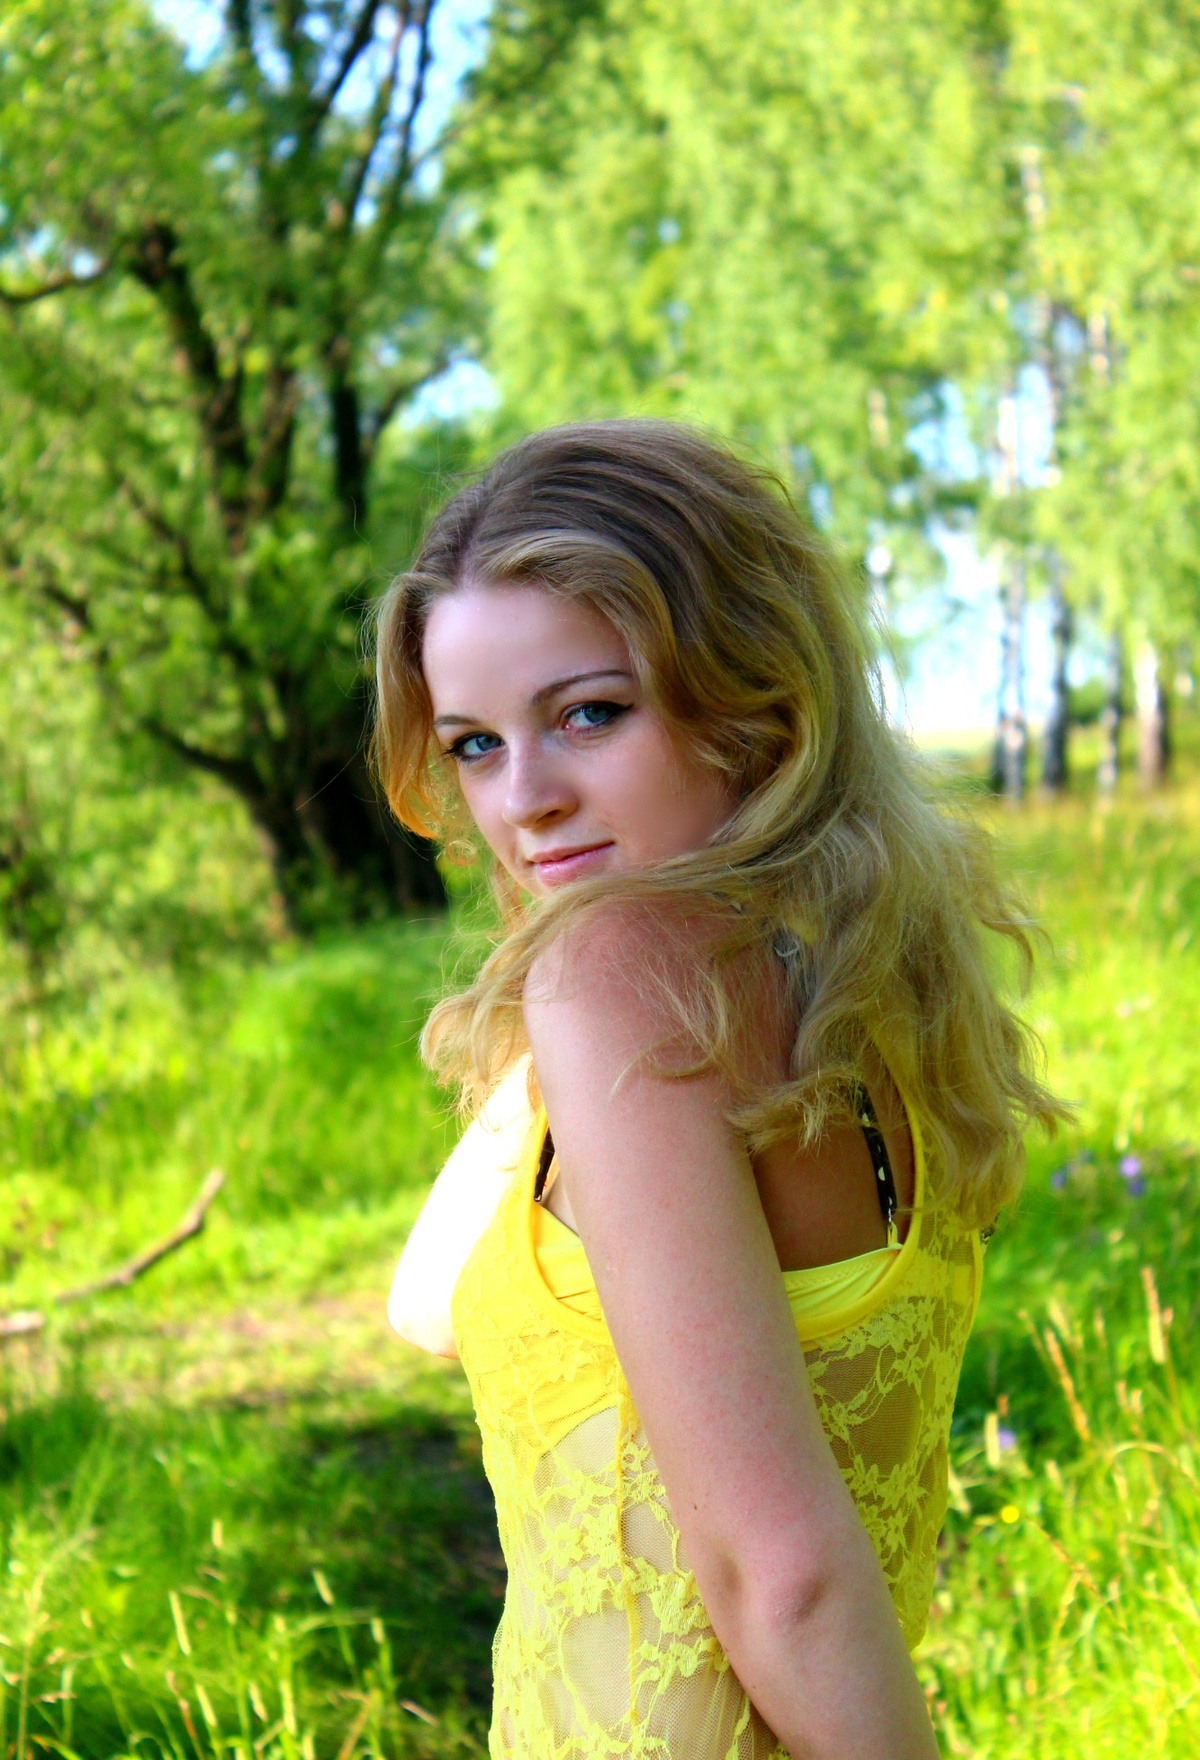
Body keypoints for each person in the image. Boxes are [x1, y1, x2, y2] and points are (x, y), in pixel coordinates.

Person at [373, 420, 1063, 1759]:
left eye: (589, 713)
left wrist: (579, 977)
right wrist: (552, 1015)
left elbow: (781, 1576)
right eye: (474, 744)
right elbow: (429, 1303)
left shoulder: (627, 987)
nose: (525, 802)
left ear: (753, 702)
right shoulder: (861, 994)